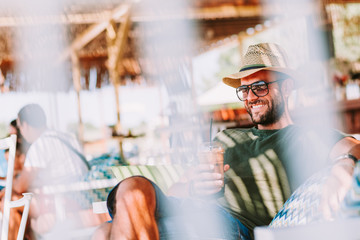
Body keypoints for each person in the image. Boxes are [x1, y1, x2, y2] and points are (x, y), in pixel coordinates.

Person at [96, 43, 360, 240]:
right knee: (132, 188)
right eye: (244, 90)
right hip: (189, 208)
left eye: (260, 87)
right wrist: (194, 187)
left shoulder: (307, 135)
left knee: (105, 233)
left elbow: (352, 147)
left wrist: (343, 167)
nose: (250, 97)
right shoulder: (226, 138)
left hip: (231, 225)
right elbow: (176, 191)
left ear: (287, 88)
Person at [0, 103, 89, 240]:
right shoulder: (67, 137)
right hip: (84, 196)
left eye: (19, 127)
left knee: (8, 202)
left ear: (25, 125)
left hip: (64, 202)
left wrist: (5, 191)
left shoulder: (40, 145)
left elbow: (20, 186)